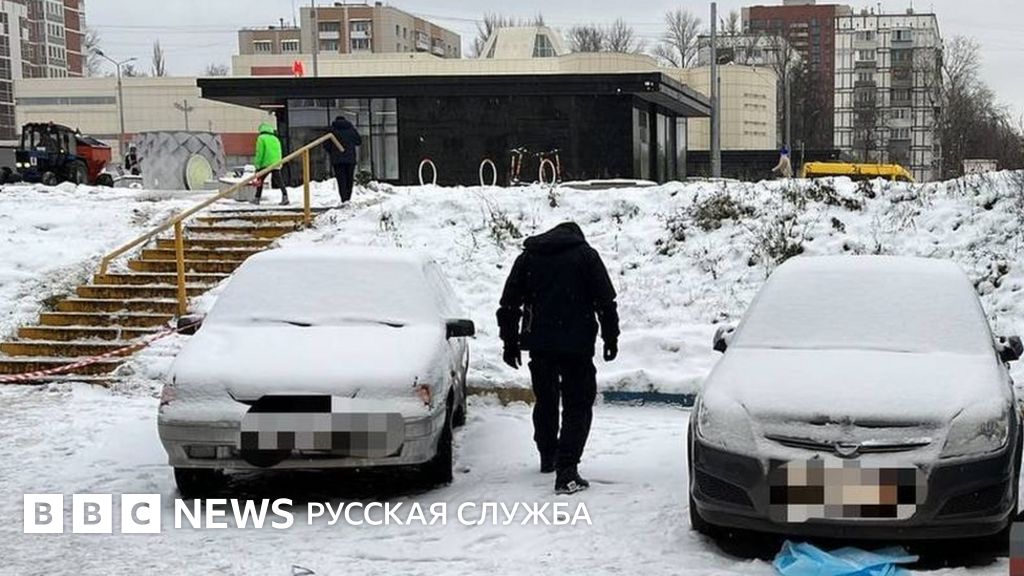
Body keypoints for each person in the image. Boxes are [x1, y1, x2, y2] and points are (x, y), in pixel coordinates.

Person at [496, 222, 620, 495]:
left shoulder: (529, 257)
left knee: (546, 400)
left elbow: (509, 304)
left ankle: (547, 455)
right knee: (578, 405)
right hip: (577, 346)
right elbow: (605, 302)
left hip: (540, 345)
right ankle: (567, 471)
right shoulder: (586, 256)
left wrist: (510, 343)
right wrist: (611, 338)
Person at [326, 115, 362, 205]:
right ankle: (348, 198)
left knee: (341, 180)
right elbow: (359, 141)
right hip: (350, 159)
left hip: (337, 160)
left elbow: (326, 145)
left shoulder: (332, 130)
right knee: (349, 179)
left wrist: (332, 151)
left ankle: (344, 198)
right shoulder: (351, 129)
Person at [253, 121, 287, 206]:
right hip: (276, 163)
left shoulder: (261, 138)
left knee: (260, 179)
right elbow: (279, 151)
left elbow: (259, 152)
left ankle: (257, 198)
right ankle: (285, 196)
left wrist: (257, 165)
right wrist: (280, 163)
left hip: (265, 163)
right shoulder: (275, 138)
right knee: (280, 181)